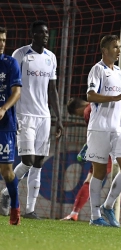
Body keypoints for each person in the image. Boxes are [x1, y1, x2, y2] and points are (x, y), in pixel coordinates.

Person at [0, 20, 64, 219]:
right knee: (27, 160)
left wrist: (59, 118)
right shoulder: (20, 54)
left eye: (47, 33)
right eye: (41, 33)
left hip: (44, 116)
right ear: (33, 34)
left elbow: (52, 90)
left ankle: (30, 210)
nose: (45, 36)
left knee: (38, 162)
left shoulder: (51, 57)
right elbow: (12, 83)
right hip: (23, 115)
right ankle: (6, 194)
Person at [85, 35, 121, 227]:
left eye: (119, 47)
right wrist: (115, 98)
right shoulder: (97, 69)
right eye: (115, 47)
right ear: (104, 49)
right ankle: (95, 217)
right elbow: (91, 95)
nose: (118, 50)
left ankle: (108, 206)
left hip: (117, 128)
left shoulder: (118, 71)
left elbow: (117, 99)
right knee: (99, 173)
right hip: (99, 128)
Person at [61, 97, 121, 227]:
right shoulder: (94, 105)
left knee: (96, 177)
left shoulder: (88, 111)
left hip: (109, 143)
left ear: (77, 109)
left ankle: (77, 212)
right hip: (110, 142)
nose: (79, 116)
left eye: (77, 114)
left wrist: (87, 146)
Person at [0, 27, 22, 225]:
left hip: (5, 125)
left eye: (4, 40)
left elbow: (17, 92)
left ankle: (15, 206)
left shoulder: (10, 63)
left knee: (6, 171)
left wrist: (4, 108)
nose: (1, 43)